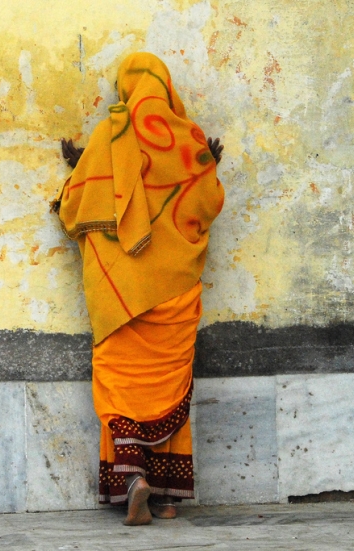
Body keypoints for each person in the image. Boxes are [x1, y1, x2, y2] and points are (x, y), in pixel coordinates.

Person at [52, 52, 224, 526]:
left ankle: (133, 480)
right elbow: (208, 201)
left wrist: (77, 163)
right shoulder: (188, 142)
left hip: (122, 297)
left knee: (119, 387)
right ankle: (168, 498)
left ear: (126, 89)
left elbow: (77, 203)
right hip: (175, 290)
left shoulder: (109, 136)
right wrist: (207, 160)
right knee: (170, 387)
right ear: (166, 90)